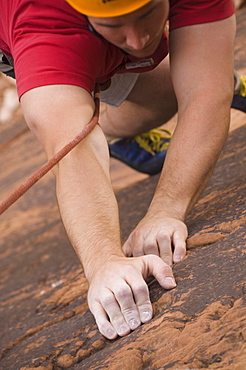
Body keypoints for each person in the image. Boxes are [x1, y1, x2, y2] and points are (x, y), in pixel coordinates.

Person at [0, 0, 245, 340]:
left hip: (84, 32)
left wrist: (167, 208)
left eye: (146, 15)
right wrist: (104, 261)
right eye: (114, 25)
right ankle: (107, 128)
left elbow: (204, 92)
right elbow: (69, 147)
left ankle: (118, 129)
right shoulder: (43, 27)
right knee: (83, 121)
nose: (136, 38)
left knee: (191, 83)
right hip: (55, 34)